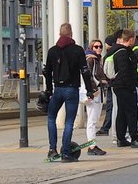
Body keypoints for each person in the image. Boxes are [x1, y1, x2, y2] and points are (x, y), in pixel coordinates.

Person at [42, 23, 96, 163]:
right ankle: (65, 153)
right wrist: (90, 90)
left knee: (51, 118)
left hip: (58, 90)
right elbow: (85, 71)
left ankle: (52, 150)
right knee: (69, 122)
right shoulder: (77, 50)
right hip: (72, 90)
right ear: (71, 34)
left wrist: (48, 90)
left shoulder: (52, 51)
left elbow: (47, 72)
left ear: (60, 34)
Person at [104, 29, 138, 149]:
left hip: (118, 86)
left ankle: (121, 138)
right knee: (132, 112)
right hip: (124, 87)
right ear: (131, 39)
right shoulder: (122, 52)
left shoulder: (115, 50)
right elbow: (124, 71)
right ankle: (134, 138)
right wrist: (131, 86)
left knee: (122, 112)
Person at [83, 39, 108, 156]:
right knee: (92, 121)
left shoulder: (97, 60)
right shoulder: (91, 59)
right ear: (91, 48)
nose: (98, 49)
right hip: (94, 93)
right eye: (96, 47)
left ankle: (92, 145)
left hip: (97, 92)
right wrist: (98, 84)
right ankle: (91, 146)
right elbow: (89, 76)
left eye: (100, 47)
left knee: (94, 119)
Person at [96, 31, 121, 136]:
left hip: (111, 84)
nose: (101, 47)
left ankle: (106, 127)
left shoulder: (109, 56)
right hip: (115, 84)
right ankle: (107, 127)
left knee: (111, 106)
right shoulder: (116, 53)